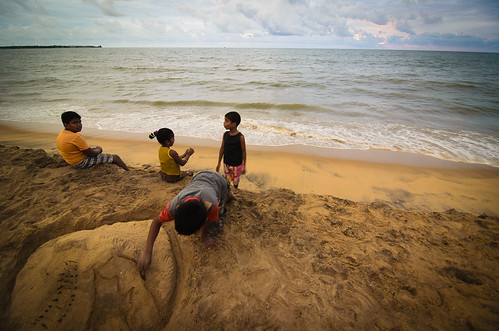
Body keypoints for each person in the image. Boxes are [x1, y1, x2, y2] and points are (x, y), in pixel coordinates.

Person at [137, 171, 235, 278]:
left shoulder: (212, 205)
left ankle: (229, 191)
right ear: (177, 209)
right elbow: (156, 221)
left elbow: (209, 221)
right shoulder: (174, 205)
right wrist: (147, 251)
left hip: (219, 182)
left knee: (218, 221)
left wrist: (204, 237)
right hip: (199, 176)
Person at [56, 111, 129, 171]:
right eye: (75, 123)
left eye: (80, 122)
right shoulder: (76, 137)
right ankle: (128, 172)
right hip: (80, 163)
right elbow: (91, 154)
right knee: (115, 157)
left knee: (95, 150)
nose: (79, 125)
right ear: (66, 125)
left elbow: (82, 150)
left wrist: (94, 150)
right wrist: (99, 150)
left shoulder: (63, 134)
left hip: (71, 161)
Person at [216, 111, 246, 188]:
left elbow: (243, 152)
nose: (224, 123)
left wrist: (244, 166)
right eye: (224, 120)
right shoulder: (225, 135)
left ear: (234, 124)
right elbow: (222, 148)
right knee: (227, 181)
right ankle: (229, 191)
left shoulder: (240, 137)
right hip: (226, 163)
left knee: (235, 182)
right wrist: (219, 163)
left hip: (237, 165)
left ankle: (235, 190)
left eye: (226, 121)